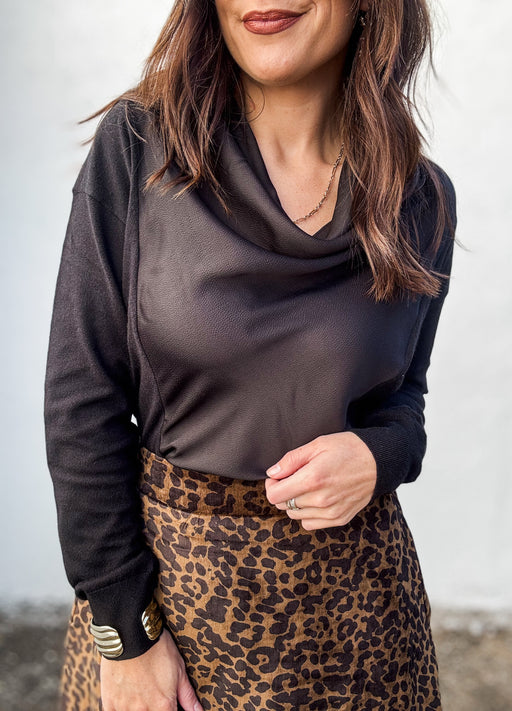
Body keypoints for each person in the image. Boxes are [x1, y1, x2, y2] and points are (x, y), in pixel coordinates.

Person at [44, 0, 457, 709]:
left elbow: (405, 403)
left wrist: (378, 454)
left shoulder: (419, 198)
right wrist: (126, 635)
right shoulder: (140, 148)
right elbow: (81, 401)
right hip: (172, 618)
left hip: (359, 626)